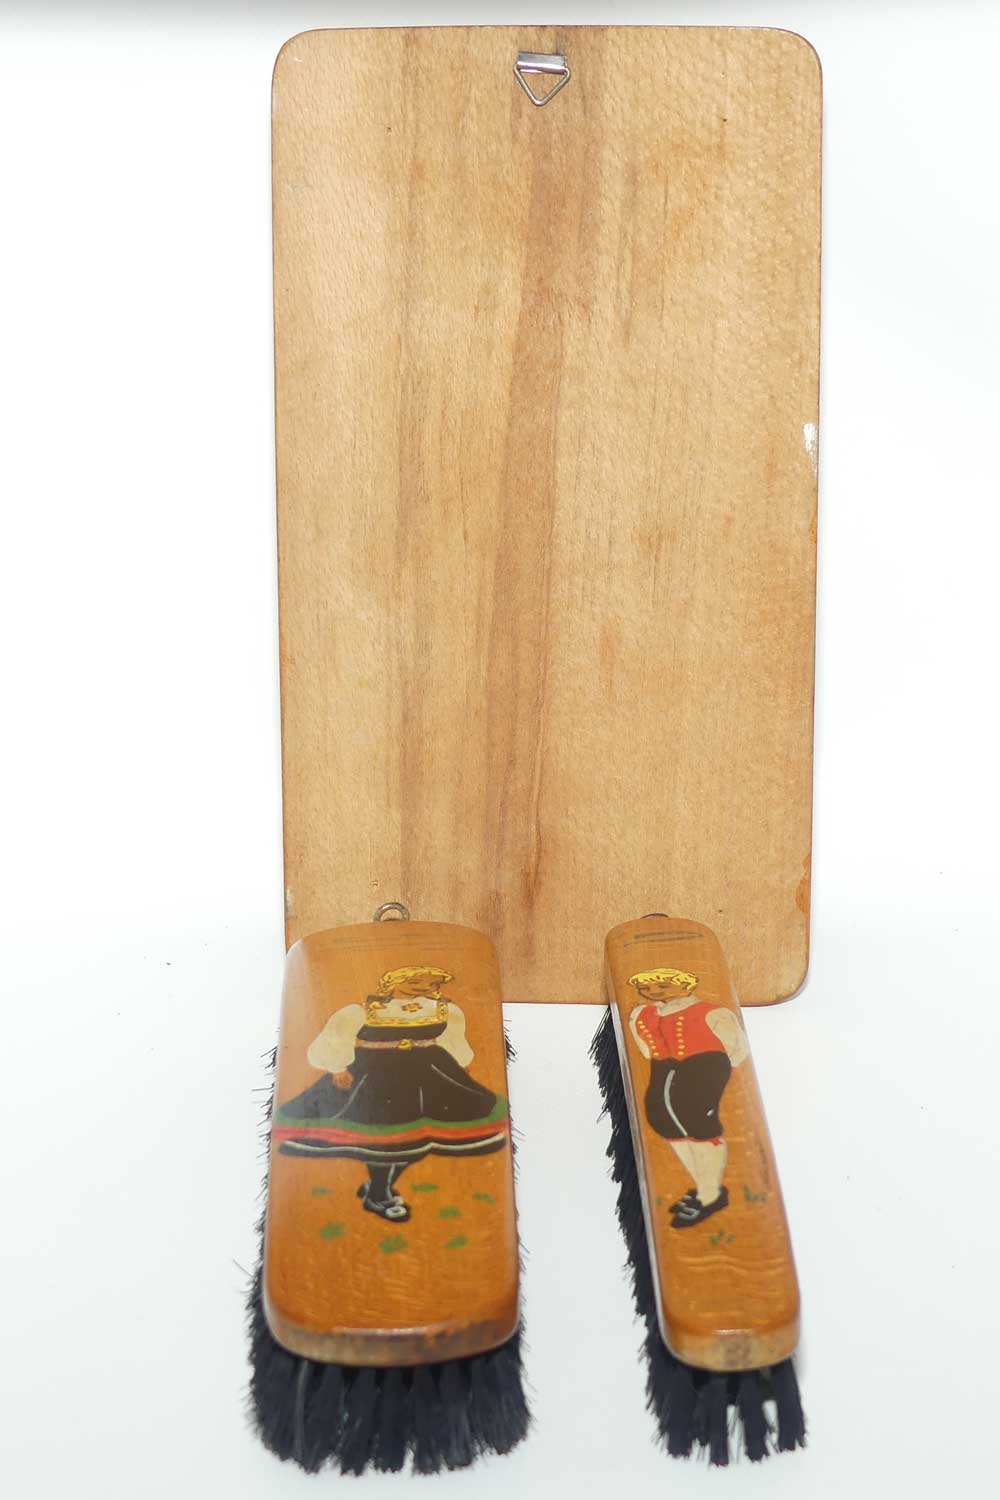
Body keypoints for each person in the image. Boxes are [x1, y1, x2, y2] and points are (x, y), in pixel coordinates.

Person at [272, 965, 509, 1222]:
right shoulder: (363, 1011)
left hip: (429, 1075)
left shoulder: (443, 1010)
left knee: (413, 1139)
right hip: (376, 1076)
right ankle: (379, 1193)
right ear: (393, 983)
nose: (424, 987)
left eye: (430, 983)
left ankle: (377, 1187)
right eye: (415, 982)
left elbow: (454, 1041)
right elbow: (337, 1036)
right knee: (384, 1137)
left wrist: (459, 1067)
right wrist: (338, 1067)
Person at [627, 966, 748, 1228]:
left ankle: (710, 1195)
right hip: (665, 1067)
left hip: (703, 1065)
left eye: (663, 985)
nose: (653, 991)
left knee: (697, 1121)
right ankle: (706, 1186)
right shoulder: (646, 1014)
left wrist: (712, 1072)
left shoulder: (711, 1013)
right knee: (662, 1119)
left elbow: (736, 1049)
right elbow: (647, 1050)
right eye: (646, 987)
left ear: (686, 986)